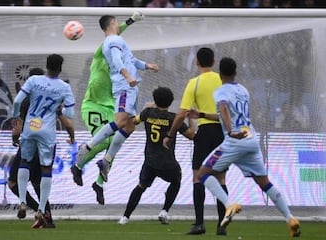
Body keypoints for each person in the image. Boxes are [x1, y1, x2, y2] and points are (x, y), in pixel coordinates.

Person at [196, 57, 301, 237]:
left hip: (234, 140)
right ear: (235, 72)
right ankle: (290, 218)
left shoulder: (220, 91)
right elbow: (228, 115)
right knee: (264, 183)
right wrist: (201, 114)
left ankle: (229, 204)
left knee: (203, 174)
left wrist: (230, 132)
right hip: (251, 139)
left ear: (220, 74)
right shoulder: (244, 91)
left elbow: (224, 109)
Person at [70, 12, 144, 206]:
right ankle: (78, 165)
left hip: (110, 103)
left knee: (116, 139)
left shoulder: (118, 49)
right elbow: (114, 32)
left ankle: (99, 184)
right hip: (93, 104)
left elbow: (117, 32)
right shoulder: (103, 48)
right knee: (104, 142)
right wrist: (131, 21)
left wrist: (132, 21)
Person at [76, 15, 158, 183]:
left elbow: (131, 60)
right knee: (120, 122)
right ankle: (87, 147)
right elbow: (117, 60)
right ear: (112, 23)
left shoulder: (117, 40)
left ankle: (106, 161)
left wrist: (146, 66)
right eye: (116, 22)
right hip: (124, 85)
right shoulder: (112, 40)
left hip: (131, 87)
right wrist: (127, 76)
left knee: (129, 126)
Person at [163, 47, 227, 235]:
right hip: (221, 133)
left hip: (205, 132)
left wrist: (170, 134)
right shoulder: (222, 81)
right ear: (214, 61)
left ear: (197, 62)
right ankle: (222, 225)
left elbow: (182, 112)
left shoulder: (194, 83)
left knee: (198, 177)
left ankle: (199, 223)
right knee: (221, 178)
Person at [12, 54, 75, 227]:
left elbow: (17, 101)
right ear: (60, 68)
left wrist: (16, 117)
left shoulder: (33, 81)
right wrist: (58, 107)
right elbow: (69, 115)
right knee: (45, 169)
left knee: (24, 162)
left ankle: (23, 201)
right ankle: (41, 209)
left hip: (30, 127)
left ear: (46, 66)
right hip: (47, 131)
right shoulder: (64, 87)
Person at [118, 87, 195, 225]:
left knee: (141, 186)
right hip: (167, 162)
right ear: (171, 102)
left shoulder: (148, 113)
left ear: (155, 100)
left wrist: (150, 108)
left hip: (150, 161)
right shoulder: (174, 119)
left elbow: (134, 121)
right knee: (176, 180)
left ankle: (125, 217)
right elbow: (191, 136)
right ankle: (164, 211)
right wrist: (191, 120)